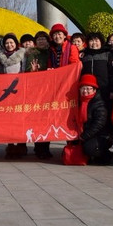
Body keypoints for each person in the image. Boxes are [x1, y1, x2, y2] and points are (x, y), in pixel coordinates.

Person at [37, 23, 80, 159]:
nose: (57, 36)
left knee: (69, 118)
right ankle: (43, 148)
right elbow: (50, 67)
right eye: (55, 34)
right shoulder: (51, 50)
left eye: (59, 33)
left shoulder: (71, 48)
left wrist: (60, 73)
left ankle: (72, 147)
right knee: (48, 117)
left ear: (64, 35)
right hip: (54, 89)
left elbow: (74, 64)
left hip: (68, 89)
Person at [75, 74, 111, 164]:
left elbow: (99, 123)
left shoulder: (99, 103)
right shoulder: (78, 102)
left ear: (94, 90)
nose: (85, 91)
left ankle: (105, 155)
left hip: (100, 135)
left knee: (88, 148)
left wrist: (85, 136)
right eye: (83, 88)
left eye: (88, 88)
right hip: (85, 133)